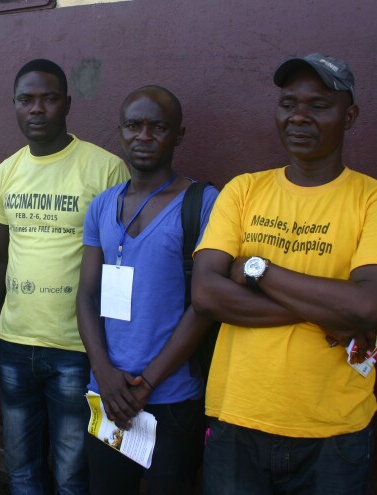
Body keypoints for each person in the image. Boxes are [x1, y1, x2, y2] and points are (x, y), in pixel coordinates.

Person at [192, 53, 377, 494]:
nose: (299, 117)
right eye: (289, 104)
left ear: (349, 117)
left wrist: (255, 268)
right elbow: (207, 295)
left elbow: (367, 307)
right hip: (237, 419)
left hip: (332, 431)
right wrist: (329, 313)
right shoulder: (243, 190)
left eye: (318, 105)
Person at [0, 58, 129, 494]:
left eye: (48, 99)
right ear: (14, 105)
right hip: (15, 344)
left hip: (77, 349)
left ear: (67, 104)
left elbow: (121, 266)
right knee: (22, 469)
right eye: (26, 100)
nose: (37, 109)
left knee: (72, 474)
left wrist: (112, 348)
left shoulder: (105, 170)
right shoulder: (6, 172)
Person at [76, 86, 219, 494]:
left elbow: (203, 307)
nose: (144, 136)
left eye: (158, 127)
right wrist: (104, 373)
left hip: (171, 399)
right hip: (107, 395)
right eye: (133, 126)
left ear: (179, 134)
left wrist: (149, 384)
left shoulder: (203, 203)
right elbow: (87, 295)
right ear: (119, 131)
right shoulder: (103, 205)